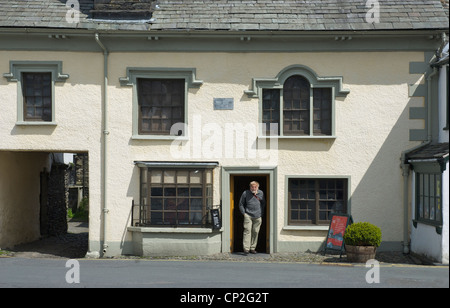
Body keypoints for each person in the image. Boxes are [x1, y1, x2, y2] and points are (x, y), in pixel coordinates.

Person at [239, 181, 265, 255]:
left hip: (258, 216)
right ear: (250, 187)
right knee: (247, 231)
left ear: (257, 187)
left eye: (255, 187)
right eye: (252, 187)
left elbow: (263, 203)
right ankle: (246, 249)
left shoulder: (261, 193)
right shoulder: (245, 193)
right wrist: (244, 213)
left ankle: (253, 248)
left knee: (255, 232)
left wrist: (261, 213)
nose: (253, 188)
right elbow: (241, 204)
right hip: (248, 215)